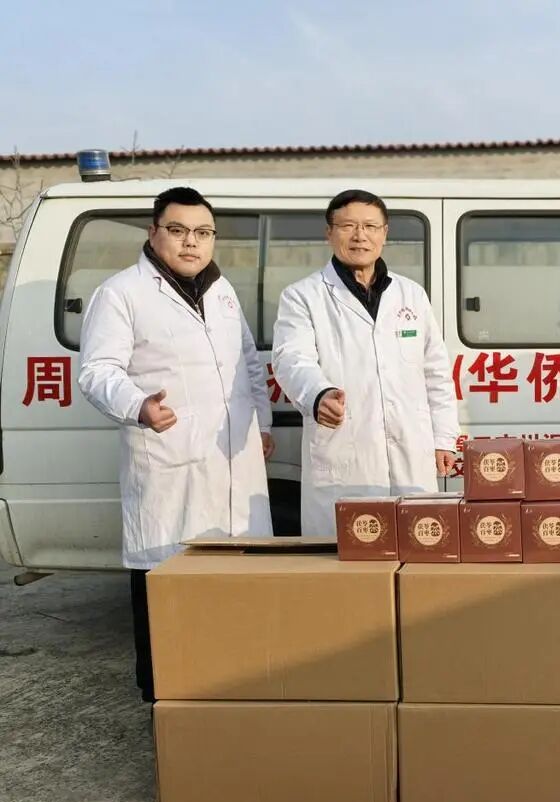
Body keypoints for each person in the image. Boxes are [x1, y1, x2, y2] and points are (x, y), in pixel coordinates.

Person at [78, 186, 274, 703]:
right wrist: (138, 404)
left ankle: (233, 696)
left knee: (235, 595)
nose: (192, 242)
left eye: (203, 232)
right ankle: (165, 708)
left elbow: (248, 363)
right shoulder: (122, 293)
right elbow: (97, 370)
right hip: (169, 465)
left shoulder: (222, 291)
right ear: (154, 233)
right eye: (179, 230)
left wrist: (262, 423)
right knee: (167, 597)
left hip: (233, 461)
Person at [271, 189, 459, 535]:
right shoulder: (303, 296)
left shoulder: (411, 294)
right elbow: (292, 359)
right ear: (329, 233)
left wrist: (444, 437)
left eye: (371, 226)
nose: (360, 236)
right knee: (345, 552)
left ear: (385, 234)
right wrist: (318, 394)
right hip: (345, 455)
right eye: (348, 226)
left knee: (414, 544)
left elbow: (435, 372)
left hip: (410, 452)